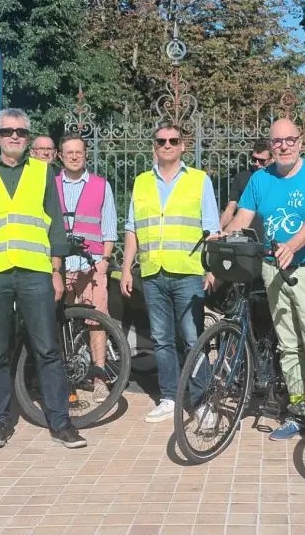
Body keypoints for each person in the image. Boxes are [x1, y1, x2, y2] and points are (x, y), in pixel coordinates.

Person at [0, 108, 87, 450]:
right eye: (8, 131)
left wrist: (56, 271)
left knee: (48, 348)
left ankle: (60, 422)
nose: (15, 136)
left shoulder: (42, 173)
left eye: (21, 132)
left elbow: (55, 225)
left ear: (28, 139)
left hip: (35, 272)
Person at [221, 118, 305, 443]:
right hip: (272, 269)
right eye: (277, 142)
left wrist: (292, 246)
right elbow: (243, 219)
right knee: (287, 345)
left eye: (290, 140)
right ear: (270, 147)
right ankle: (299, 413)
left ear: (300, 142)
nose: (283, 145)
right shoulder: (260, 179)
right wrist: (222, 235)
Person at [120, 122, 219, 423]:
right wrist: (126, 268)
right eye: (161, 140)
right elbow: (132, 229)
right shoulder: (141, 182)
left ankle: (202, 402)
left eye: (173, 140)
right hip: (152, 273)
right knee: (161, 340)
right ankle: (169, 397)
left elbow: (212, 229)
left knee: (193, 338)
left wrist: (212, 269)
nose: (167, 145)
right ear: (154, 145)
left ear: (182, 145)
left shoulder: (200, 181)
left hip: (188, 272)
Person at [56, 133, 118, 387]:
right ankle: (64, 376)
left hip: (91, 265)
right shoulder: (50, 185)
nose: (73, 156)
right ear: (60, 155)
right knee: (58, 322)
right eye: (69, 152)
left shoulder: (101, 185)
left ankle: (99, 375)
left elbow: (110, 227)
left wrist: (104, 260)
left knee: (96, 321)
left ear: (85, 154)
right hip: (59, 266)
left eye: (78, 152)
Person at [220, 139, 272, 242]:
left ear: (272, 159)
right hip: (246, 237)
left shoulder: (278, 178)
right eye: (254, 159)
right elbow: (230, 209)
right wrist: (219, 230)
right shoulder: (242, 177)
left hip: (271, 235)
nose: (257, 163)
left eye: (262, 160)